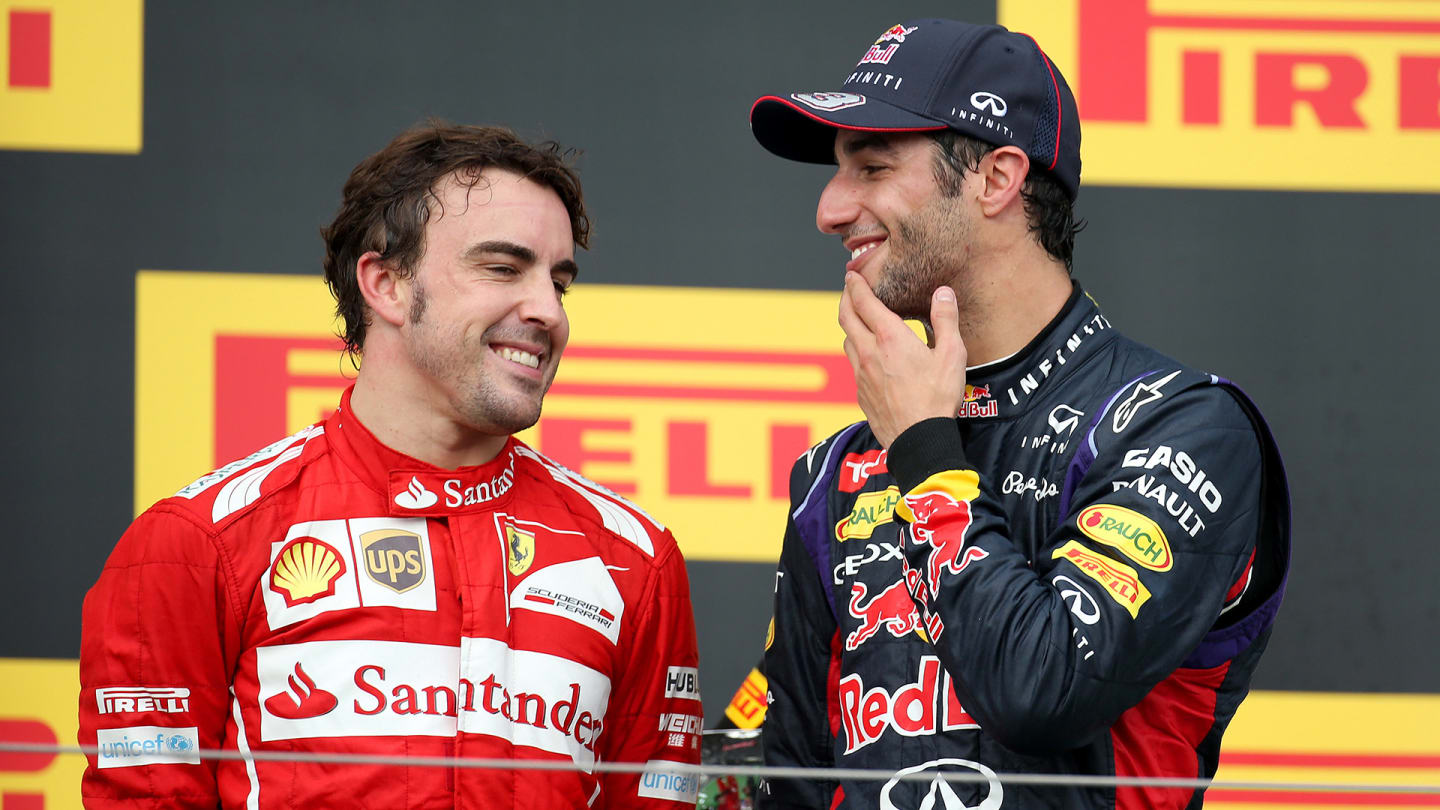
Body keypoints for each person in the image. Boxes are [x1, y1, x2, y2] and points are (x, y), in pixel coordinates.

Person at [78, 122, 703, 809]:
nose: (547, 312)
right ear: (386, 284)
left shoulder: (634, 559)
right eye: (503, 268)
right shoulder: (197, 544)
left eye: (559, 283)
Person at [747, 19, 1290, 809]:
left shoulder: (1182, 429)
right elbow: (790, 778)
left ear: (997, 178)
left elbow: (1042, 689)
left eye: (871, 167)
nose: (832, 209)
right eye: (838, 172)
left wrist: (927, 456)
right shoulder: (835, 471)